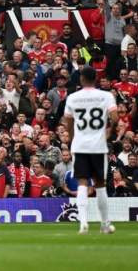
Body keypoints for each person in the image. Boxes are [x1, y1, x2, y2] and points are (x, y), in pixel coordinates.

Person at [63, 66, 118, 235]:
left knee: (82, 182)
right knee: (100, 184)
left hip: (80, 146)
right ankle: (105, 224)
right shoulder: (106, 96)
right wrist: (109, 132)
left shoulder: (72, 98)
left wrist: (73, 139)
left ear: (81, 79)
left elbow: (68, 122)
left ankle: (83, 223)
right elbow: (115, 118)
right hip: (98, 146)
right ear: (95, 79)